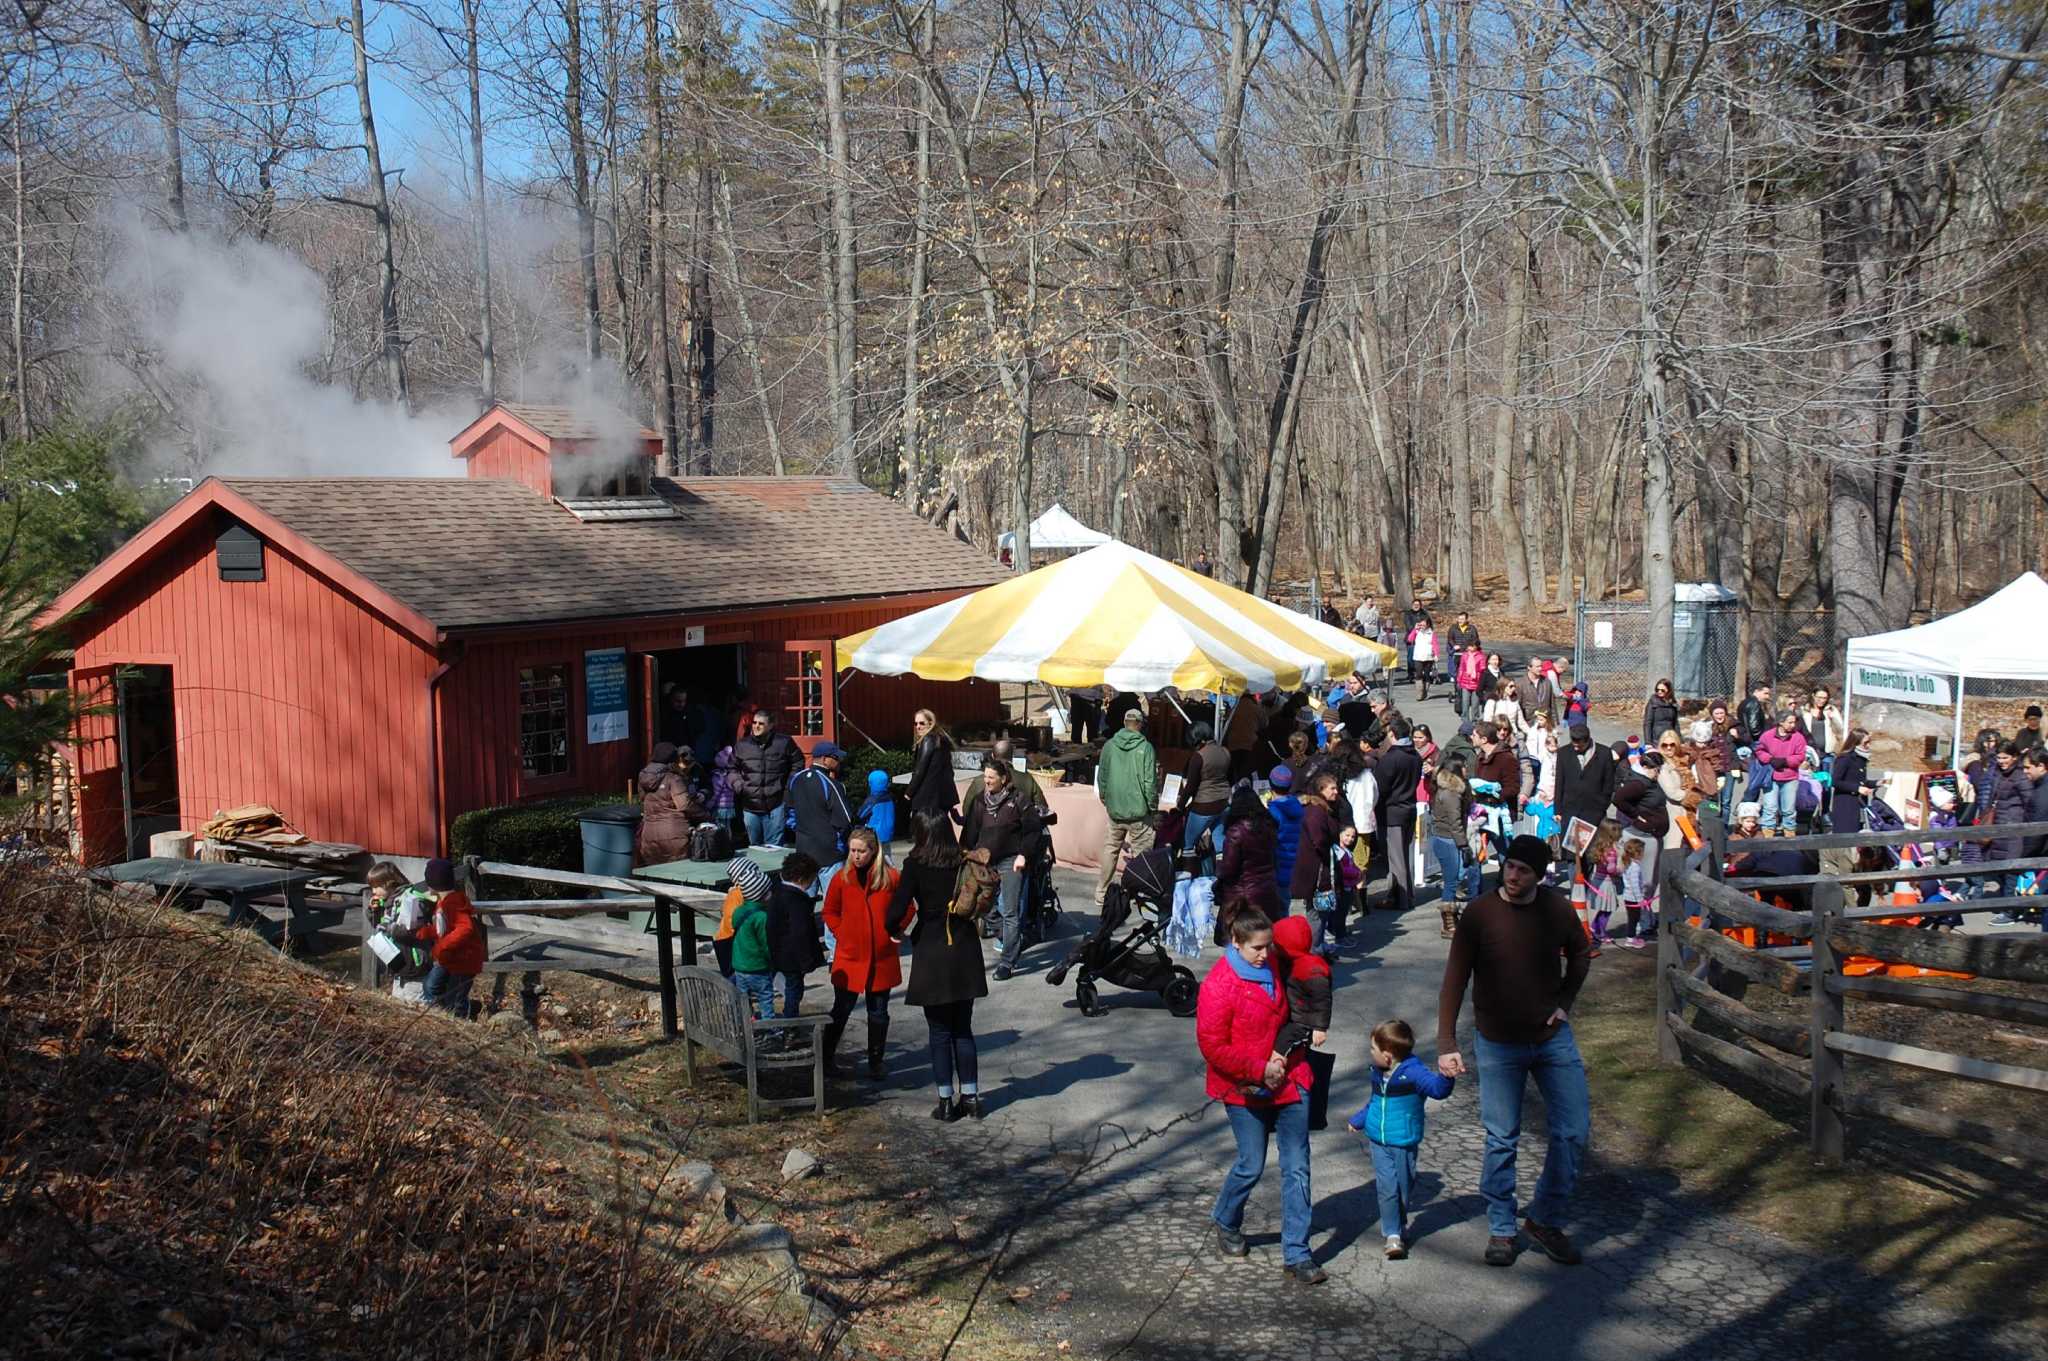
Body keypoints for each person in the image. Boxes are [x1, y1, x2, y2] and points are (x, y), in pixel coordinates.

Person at [1436, 834, 1592, 1269]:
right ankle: (1502, 1227)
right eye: (1509, 866)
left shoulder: (1555, 908)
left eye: (1523, 870)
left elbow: (1581, 954)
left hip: (1550, 1038)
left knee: (1574, 1129)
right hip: (1498, 1041)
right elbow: (1454, 979)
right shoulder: (1481, 913)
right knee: (1502, 1136)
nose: (1513, 875)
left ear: (1539, 875)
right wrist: (1446, 1043)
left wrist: (1564, 1003)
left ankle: (1544, 1219)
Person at [1197, 903, 1323, 1284]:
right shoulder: (1218, 986)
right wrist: (1257, 1069)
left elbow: (1301, 999)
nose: (1266, 955)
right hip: (1244, 1087)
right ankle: (1227, 1218)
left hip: (1290, 1076)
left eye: (1268, 946)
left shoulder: (1274, 964)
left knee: (1297, 1166)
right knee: (1251, 1163)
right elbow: (1212, 1045)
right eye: (1257, 948)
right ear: (1236, 943)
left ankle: (1297, 1254)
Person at [887, 812, 990, 1120]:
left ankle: (945, 1102)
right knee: (963, 1028)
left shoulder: (915, 865)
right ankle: (970, 1096)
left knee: (939, 1031)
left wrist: (895, 930)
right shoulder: (963, 860)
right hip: (965, 948)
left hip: (932, 949)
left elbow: (897, 908)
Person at [1347, 1018, 1456, 1260]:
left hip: (1404, 1140)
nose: (1370, 1053)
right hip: (1378, 1139)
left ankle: (1399, 1222)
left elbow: (1438, 1090)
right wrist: (1359, 1119)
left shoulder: (1414, 1072)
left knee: (1403, 1187)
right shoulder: (1377, 1072)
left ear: (1387, 1055)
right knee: (1387, 1188)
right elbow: (1374, 1101)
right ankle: (1392, 1235)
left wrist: (1448, 1075)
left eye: (1373, 1049)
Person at [821, 826, 901, 1078]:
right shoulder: (841, 878)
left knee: (878, 1012)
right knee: (841, 1009)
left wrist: (895, 929)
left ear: (872, 850)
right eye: (852, 850)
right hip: (850, 955)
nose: (855, 855)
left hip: (881, 956)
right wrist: (841, 932)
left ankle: (876, 1061)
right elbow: (830, 911)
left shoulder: (890, 877)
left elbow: (906, 906)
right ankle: (825, 1057)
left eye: (860, 851)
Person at [959, 759, 1044, 981]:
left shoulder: (1018, 801)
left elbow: (1033, 830)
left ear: (1003, 779)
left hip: (1011, 861)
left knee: (1010, 911)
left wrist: (1023, 855)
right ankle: (1011, 937)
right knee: (984, 907)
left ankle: (1007, 962)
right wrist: (965, 853)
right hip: (985, 862)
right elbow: (970, 832)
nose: (986, 780)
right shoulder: (980, 802)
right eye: (985, 776)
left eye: (991, 777)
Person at [396, 857, 481, 1017]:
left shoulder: (452, 903)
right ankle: (444, 1013)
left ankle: (460, 1021)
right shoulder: (443, 903)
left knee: (455, 996)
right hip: (451, 957)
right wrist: (424, 932)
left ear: (432, 884)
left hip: (464, 960)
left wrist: (442, 946)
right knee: (430, 986)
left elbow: (465, 928)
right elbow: (443, 928)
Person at [1096, 707, 1160, 906]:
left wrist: (1106, 798)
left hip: (1115, 810)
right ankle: (1139, 892)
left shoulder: (1109, 746)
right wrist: (1153, 807)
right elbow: (1150, 782)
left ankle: (1101, 891)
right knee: (1142, 854)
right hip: (1139, 812)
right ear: (1140, 724)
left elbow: (1102, 777)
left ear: (1124, 723)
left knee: (1111, 849)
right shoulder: (1146, 748)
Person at [765, 852, 826, 1024]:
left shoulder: (776, 893)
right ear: (801, 878)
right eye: (812, 879)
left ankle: (786, 1021)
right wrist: (807, 961)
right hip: (793, 958)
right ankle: (790, 1024)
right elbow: (801, 932)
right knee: (794, 991)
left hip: (777, 951)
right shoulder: (797, 901)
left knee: (778, 986)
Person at [1428, 755, 1482, 938]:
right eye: (1464, 766)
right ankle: (1448, 924)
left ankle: (1453, 918)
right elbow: (1455, 823)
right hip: (1447, 840)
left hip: (1446, 839)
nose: (1467, 769)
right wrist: (1463, 845)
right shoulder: (1451, 793)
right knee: (1451, 882)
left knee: (1455, 879)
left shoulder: (1446, 789)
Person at [733, 709, 801, 848]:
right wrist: (738, 784)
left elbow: (798, 762)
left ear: (770, 726)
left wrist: (788, 787)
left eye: (761, 724)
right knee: (754, 847)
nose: (756, 726)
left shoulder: (784, 742)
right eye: (754, 722)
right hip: (750, 805)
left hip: (775, 804)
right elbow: (731, 768)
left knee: (774, 848)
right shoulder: (742, 745)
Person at [1216, 782, 1283, 923]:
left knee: (1241, 937)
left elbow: (1229, 868)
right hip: (1268, 889)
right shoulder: (1268, 825)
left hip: (1243, 893)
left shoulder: (1236, 832)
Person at [789, 741, 854, 885]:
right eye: (836, 758)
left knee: (803, 901)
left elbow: (789, 813)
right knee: (833, 903)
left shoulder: (796, 779)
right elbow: (846, 820)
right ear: (825, 759)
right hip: (829, 854)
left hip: (803, 851)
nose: (839, 761)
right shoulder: (832, 784)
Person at [1554, 723, 1618, 871]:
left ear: (1587, 740)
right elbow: (1559, 782)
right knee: (1572, 856)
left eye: (1579, 745)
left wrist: (1602, 805)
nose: (1575, 748)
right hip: (1570, 811)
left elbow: (1609, 783)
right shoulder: (1564, 753)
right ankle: (1575, 890)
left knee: (1590, 854)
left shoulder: (1604, 753)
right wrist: (1558, 810)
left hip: (1593, 811)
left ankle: (1588, 888)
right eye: (1573, 743)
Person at [1375, 719, 1423, 913]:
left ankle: (1402, 899)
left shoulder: (1391, 759)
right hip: (1410, 808)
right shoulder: (1415, 756)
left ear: (1392, 734)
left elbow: (1380, 788)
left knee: (1397, 859)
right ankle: (1398, 894)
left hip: (1392, 812)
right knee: (1405, 855)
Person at [1268, 914, 1331, 1059]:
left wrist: (1320, 1027)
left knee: (1280, 1050)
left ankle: (1277, 1068)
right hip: (1294, 1015)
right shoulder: (1289, 961)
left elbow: (1323, 1000)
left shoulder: (1312, 970)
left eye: (1276, 944)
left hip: (1304, 1022)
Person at [635, 741, 707, 865]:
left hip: (649, 834)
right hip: (674, 836)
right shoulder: (673, 778)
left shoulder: (643, 776)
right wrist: (705, 814)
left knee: (655, 875)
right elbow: (685, 805)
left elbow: (643, 799)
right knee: (679, 875)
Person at [1177, 722, 1233, 875]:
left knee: (1188, 845)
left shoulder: (1198, 757)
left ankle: (1188, 880)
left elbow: (1191, 786)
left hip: (1204, 806)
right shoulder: (1225, 752)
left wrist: (1180, 805)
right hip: (1223, 803)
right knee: (1219, 842)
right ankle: (1222, 879)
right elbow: (1230, 777)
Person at [726, 857, 778, 1021]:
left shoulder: (738, 912)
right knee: (765, 998)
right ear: (762, 896)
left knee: (744, 1001)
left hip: (740, 968)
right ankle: (770, 1031)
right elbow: (766, 944)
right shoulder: (761, 917)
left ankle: (744, 1026)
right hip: (758, 968)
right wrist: (773, 960)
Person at [1754, 710, 1808, 834]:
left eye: (1794, 722)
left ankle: (1789, 831)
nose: (1793, 725)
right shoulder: (1767, 736)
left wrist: (1785, 761)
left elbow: (1800, 756)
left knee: (1789, 808)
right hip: (1771, 777)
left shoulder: (1798, 737)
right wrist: (1770, 759)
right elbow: (1759, 750)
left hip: (1790, 777)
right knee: (1770, 807)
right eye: (1790, 722)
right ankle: (1768, 832)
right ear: (1780, 722)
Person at [907, 709, 960, 821]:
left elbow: (920, 770)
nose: (918, 727)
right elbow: (949, 770)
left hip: (928, 799)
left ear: (931, 723)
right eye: (915, 723)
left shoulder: (928, 740)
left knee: (926, 832)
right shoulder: (940, 740)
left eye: (922, 723)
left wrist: (909, 792)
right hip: (942, 797)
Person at [1473, 723, 1522, 821]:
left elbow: (1513, 788)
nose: (1471, 737)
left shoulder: (1506, 758)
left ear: (1484, 740)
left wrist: (1492, 797)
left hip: (1501, 814)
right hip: (1483, 812)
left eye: (1474, 735)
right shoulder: (1481, 757)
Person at [1799, 685, 1845, 769]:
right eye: (1819, 697)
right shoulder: (1804, 710)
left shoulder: (1831, 709)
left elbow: (1840, 730)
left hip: (1827, 753)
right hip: (1810, 753)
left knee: (1827, 779)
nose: (1822, 700)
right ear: (1813, 696)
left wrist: (1833, 718)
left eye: (1825, 698)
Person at [857, 766, 897, 844]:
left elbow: (860, 815)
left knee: (876, 855)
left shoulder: (872, 800)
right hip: (888, 834)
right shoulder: (890, 798)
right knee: (886, 854)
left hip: (874, 835)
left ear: (871, 783)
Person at [1406, 616, 1439, 702]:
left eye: (1424, 624)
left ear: (1428, 624)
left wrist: (1436, 655)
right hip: (1418, 656)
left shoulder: (1432, 633)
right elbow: (1409, 640)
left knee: (1427, 675)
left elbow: (1435, 645)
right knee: (1419, 674)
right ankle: (1419, 693)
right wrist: (1414, 629)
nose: (1422, 626)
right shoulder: (1417, 632)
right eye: (1421, 624)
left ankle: (1425, 691)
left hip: (1428, 657)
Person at [1642, 680, 1679, 751]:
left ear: (1669, 690)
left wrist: (1680, 739)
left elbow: (1675, 723)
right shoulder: (1653, 703)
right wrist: (1648, 742)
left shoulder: (1673, 703)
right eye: (1657, 690)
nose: (1659, 692)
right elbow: (1647, 723)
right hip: (1656, 739)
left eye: (1662, 690)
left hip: (1670, 737)